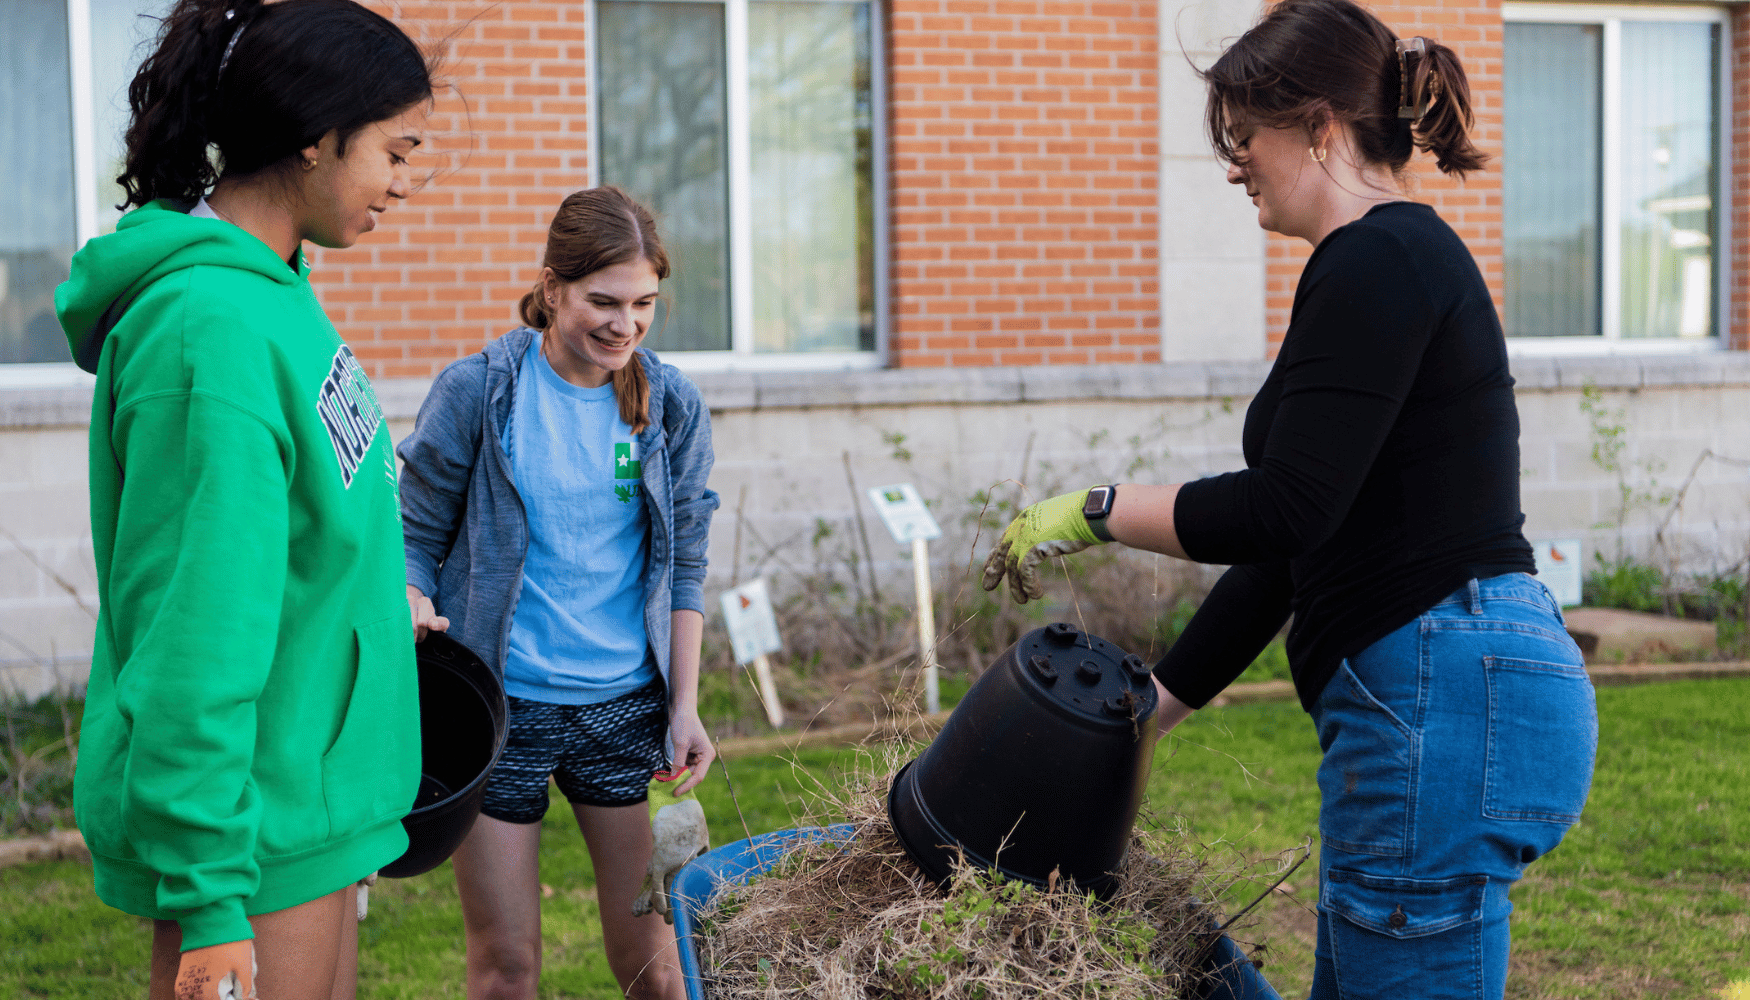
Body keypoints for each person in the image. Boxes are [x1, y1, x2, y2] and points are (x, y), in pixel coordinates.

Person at [980, 1, 1598, 996]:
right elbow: (1285, 560)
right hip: (1452, 692)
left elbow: (1281, 509)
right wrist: (1144, 720)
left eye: (1242, 137)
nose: (1233, 166)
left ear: (1316, 125)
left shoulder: (1379, 257)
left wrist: (1095, 508)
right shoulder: (1384, 262)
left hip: (1439, 697)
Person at [56, 0, 436, 997]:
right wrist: (210, 896)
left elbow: (303, 526)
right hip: (249, 831)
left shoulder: (274, 290)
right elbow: (193, 633)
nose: (404, 182)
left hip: (310, 804)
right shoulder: (209, 332)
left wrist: (370, 608)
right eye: (394, 152)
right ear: (317, 140)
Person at [398, 185, 720, 1000]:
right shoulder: (482, 393)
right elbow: (414, 528)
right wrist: (408, 594)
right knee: (507, 965)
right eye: (603, 302)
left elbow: (684, 566)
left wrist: (684, 704)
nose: (626, 325)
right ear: (551, 290)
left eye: (644, 302)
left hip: (620, 710)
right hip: (499, 712)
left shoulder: (670, 405)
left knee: (653, 962)